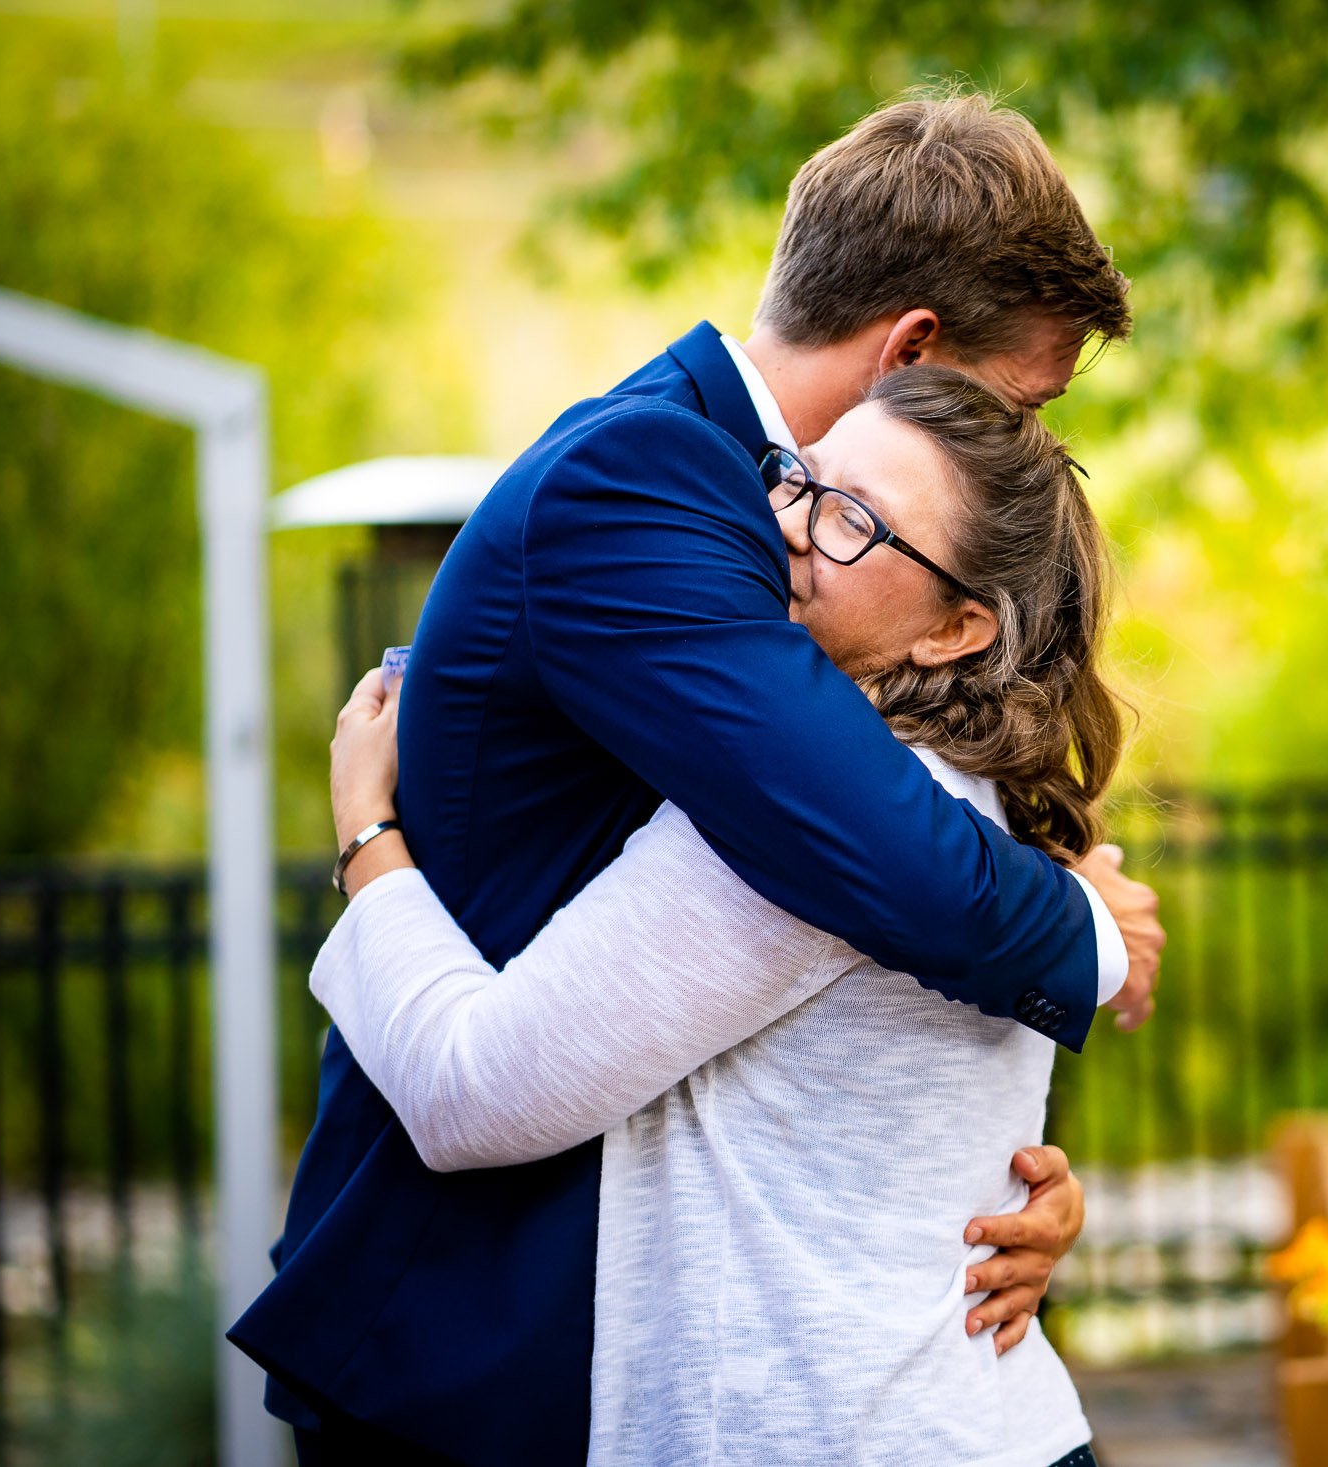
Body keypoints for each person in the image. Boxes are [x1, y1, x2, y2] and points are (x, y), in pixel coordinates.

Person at [230, 95, 1163, 1465]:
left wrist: (970, 1179)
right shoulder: (655, 484)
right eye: (1021, 400)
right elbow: (876, 849)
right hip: (478, 1324)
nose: (1024, 448)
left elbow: (847, 910)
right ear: (913, 352)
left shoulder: (767, 529)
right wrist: (1087, 931)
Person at [318, 366, 1120, 1466]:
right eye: (799, 482)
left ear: (955, 629)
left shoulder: (805, 827)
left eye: (852, 524)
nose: (787, 530)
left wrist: (367, 831)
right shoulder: (960, 788)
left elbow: (468, 1092)